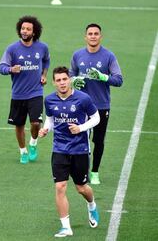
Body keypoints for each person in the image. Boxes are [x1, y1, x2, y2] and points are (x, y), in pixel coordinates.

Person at [39, 66, 100, 238]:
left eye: (64, 79)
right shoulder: (49, 100)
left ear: (70, 80)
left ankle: (92, 205)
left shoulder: (83, 99)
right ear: (54, 83)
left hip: (80, 149)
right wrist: (45, 129)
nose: (62, 83)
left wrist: (80, 128)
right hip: (59, 149)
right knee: (60, 186)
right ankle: (66, 227)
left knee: (81, 188)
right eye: (58, 80)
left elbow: (96, 118)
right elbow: (50, 120)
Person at [70, 23, 123, 184]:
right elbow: (70, 75)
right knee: (82, 139)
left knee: (98, 140)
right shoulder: (77, 55)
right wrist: (74, 80)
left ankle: (95, 172)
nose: (93, 36)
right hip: (82, 106)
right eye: (90, 33)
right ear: (85, 37)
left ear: (101, 36)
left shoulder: (109, 56)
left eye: (96, 33)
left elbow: (119, 80)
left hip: (101, 105)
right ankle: (83, 171)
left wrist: (103, 77)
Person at [0, 16, 50, 164]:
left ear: (34, 32)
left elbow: (46, 60)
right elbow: (0, 67)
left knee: (35, 123)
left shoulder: (42, 47)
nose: (25, 31)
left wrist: (44, 75)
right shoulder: (12, 49)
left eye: (28, 29)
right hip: (18, 94)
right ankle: (23, 151)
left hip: (36, 92)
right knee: (19, 125)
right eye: (23, 29)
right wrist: (10, 69)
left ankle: (33, 143)